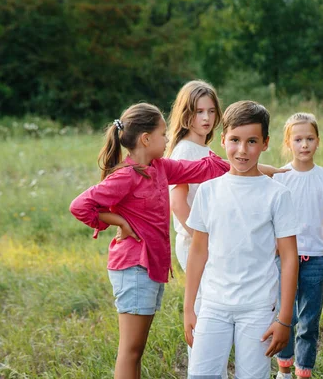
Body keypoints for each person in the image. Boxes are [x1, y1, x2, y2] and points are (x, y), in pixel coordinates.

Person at [69, 103, 230, 379]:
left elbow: (204, 170)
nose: (168, 140)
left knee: (137, 350)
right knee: (130, 350)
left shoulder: (160, 167)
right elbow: (80, 205)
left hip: (149, 269)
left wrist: (249, 164)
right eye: (163, 134)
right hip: (133, 268)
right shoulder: (126, 175)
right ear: (146, 139)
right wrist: (120, 221)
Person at [183, 101, 300, 379]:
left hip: (257, 307)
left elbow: (289, 257)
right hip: (212, 304)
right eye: (235, 140)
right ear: (223, 139)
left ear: (265, 143)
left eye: (252, 141)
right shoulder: (209, 192)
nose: (242, 150)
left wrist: (284, 319)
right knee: (201, 375)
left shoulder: (277, 194)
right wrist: (189, 308)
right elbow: (198, 251)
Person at [272, 112, 323, 379]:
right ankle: (284, 369)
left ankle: (304, 371)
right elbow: (269, 215)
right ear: (288, 142)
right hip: (285, 256)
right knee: (286, 316)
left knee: (309, 320)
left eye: (310, 139)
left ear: (318, 142)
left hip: (316, 258)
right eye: (298, 139)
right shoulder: (279, 176)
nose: (304, 145)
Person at [167, 80, 223, 271]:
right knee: (202, 300)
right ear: (186, 113)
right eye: (199, 112)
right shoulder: (184, 151)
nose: (206, 117)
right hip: (195, 243)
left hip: (210, 240)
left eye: (211, 111)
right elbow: (177, 203)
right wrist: (202, 241)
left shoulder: (204, 149)